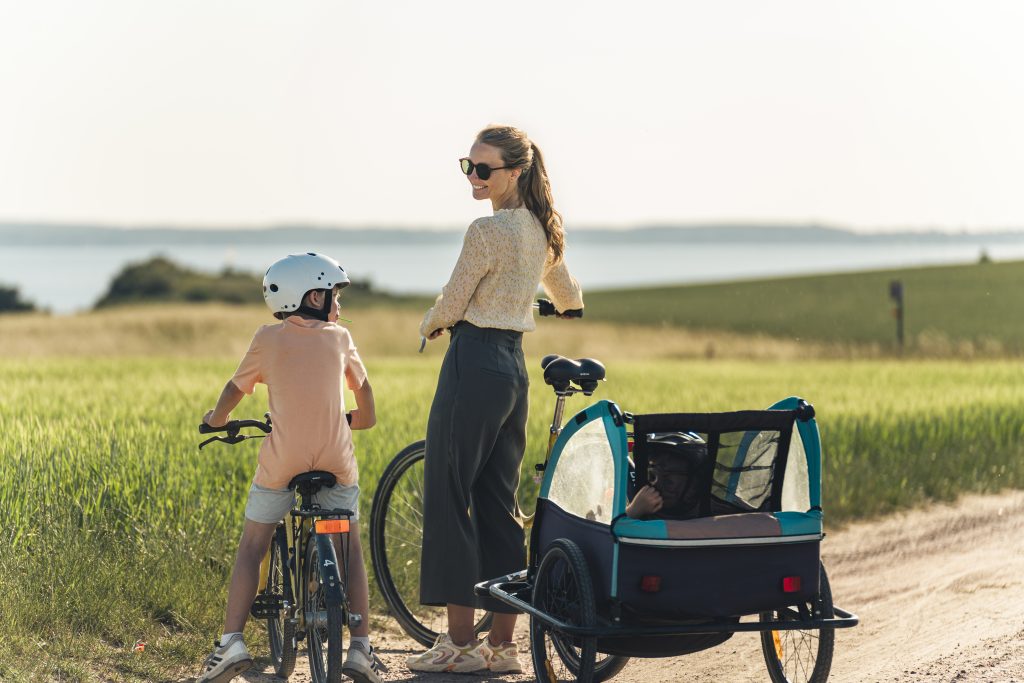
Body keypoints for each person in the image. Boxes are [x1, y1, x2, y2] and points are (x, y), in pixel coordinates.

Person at [407, 125, 584, 674]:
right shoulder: (541, 229)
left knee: (449, 491)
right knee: (498, 503)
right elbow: (568, 294)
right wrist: (559, 308)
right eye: (468, 166)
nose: (474, 178)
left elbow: (455, 299)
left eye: (483, 169)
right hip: (513, 369)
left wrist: (430, 325)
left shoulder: (486, 231)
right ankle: (504, 647)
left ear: (515, 172)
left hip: (474, 362)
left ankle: (460, 643)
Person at [196, 252, 384, 683]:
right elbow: (367, 408)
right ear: (313, 296)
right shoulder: (340, 338)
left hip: (282, 462)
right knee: (351, 547)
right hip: (337, 461)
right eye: (334, 295)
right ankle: (360, 648)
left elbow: (233, 389)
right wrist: (348, 420)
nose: (339, 305)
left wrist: (216, 420)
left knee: (252, 546)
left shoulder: (266, 338)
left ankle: (230, 643)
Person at [626, 433, 708, 520]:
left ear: (695, 483)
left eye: (669, 481)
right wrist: (633, 511)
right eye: (652, 475)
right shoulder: (639, 503)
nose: (658, 484)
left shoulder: (712, 517)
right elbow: (610, 531)